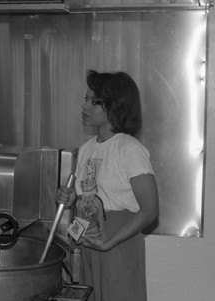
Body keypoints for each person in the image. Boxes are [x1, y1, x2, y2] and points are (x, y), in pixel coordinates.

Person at [57, 70, 159, 301]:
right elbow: (92, 194)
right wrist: (73, 198)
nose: (85, 107)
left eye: (95, 102)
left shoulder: (129, 148)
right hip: (89, 241)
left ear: (115, 106)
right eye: (86, 100)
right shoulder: (86, 149)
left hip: (118, 242)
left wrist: (109, 242)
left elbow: (150, 210)